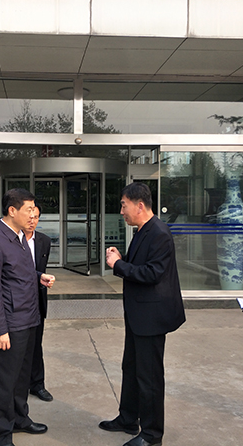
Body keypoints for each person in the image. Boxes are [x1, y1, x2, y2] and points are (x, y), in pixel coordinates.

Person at [100, 182, 186, 446]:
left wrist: (118, 265)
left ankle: (151, 434)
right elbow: (140, 264)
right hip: (138, 315)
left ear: (139, 205)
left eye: (123, 205)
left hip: (151, 317)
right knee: (131, 368)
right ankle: (128, 418)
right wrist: (122, 258)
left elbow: (152, 273)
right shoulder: (142, 231)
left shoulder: (159, 233)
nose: (121, 211)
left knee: (149, 378)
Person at [0, 188, 56, 446]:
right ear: (12, 211)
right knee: (5, 380)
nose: (33, 215)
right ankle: (1, 434)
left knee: (22, 377)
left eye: (34, 210)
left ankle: (21, 419)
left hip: (30, 318)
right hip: (11, 324)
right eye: (29, 210)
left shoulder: (20, 237)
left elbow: (19, 272)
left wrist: (39, 277)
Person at [23, 204, 54, 402]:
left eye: (36, 217)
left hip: (37, 300)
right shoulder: (12, 240)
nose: (32, 221)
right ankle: (18, 383)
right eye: (30, 216)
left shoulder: (44, 241)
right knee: (18, 347)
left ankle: (37, 384)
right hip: (17, 301)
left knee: (36, 344)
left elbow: (40, 269)